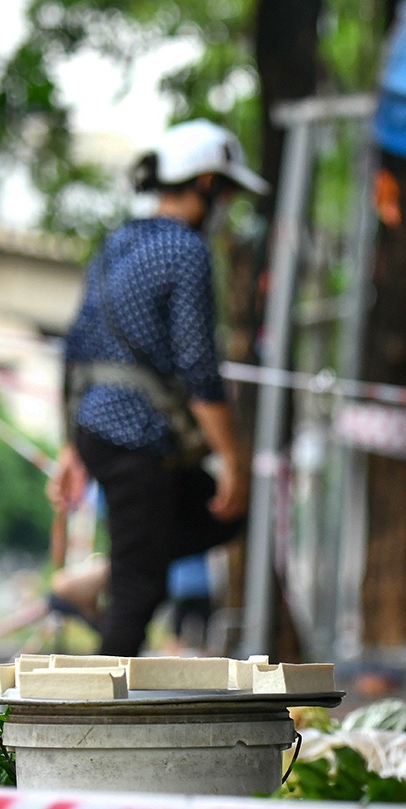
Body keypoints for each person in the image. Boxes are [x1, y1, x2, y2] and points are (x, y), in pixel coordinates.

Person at [49, 120, 266, 657]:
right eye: (226, 193)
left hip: (96, 428)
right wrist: (232, 459)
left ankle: (96, 577)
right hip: (136, 438)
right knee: (139, 592)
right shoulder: (186, 251)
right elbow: (198, 368)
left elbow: (76, 348)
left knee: (213, 516)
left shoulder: (117, 242)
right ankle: (94, 705)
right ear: (206, 184)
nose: (226, 208)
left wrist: (72, 445)